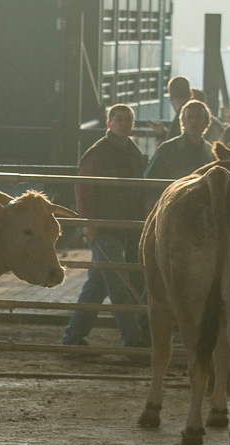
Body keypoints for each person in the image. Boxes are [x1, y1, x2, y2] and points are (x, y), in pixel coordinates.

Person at [62, 104, 149, 348]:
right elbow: (83, 186)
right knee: (119, 283)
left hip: (120, 227)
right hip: (105, 226)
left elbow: (138, 189)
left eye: (127, 120)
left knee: (98, 285)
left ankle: (72, 338)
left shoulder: (130, 151)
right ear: (109, 123)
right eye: (118, 119)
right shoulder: (99, 152)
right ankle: (133, 340)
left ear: (132, 124)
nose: (123, 123)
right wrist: (89, 223)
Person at [145, 100, 216, 180]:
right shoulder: (167, 150)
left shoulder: (211, 153)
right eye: (189, 117)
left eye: (199, 117)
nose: (194, 121)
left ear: (206, 122)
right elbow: (149, 181)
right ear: (183, 121)